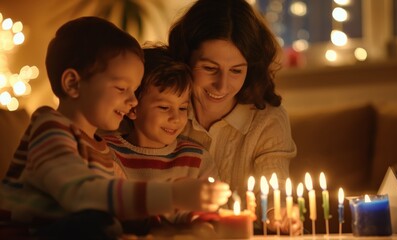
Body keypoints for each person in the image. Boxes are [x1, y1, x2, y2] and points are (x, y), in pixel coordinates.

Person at [0, 16, 230, 239]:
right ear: (73, 83)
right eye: (122, 89)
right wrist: (172, 195)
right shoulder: (50, 130)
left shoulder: (101, 147)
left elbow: (120, 207)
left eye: (135, 90)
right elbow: (82, 195)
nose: (133, 101)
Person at [168, 0, 301, 235]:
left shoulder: (267, 120)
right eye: (210, 68)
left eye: (236, 70)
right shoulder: (162, 111)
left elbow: (273, 189)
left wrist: (277, 212)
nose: (222, 85)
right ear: (185, 58)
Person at [103, 45, 219, 183]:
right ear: (133, 109)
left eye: (182, 108)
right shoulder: (105, 152)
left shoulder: (196, 160)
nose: (176, 118)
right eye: (164, 107)